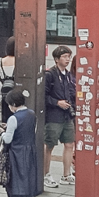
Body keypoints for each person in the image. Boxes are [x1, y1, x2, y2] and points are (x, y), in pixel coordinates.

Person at [0, 87, 39, 197]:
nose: (9, 107)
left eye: (10, 104)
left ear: (14, 105)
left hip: (16, 153)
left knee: (13, 182)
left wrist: (3, 133)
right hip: (30, 151)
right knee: (26, 180)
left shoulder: (13, 118)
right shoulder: (32, 114)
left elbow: (8, 139)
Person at [44, 46, 77, 186]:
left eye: (69, 56)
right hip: (53, 116)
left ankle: (66, 174)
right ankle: (46, 174)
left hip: (67, 116)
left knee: (69, 144)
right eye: (64, 56)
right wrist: (57, 103)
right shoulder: (50, 75)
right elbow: (43, 96)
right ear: (57, 59)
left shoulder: (68, 75)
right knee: (49, 145)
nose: (68, 59)